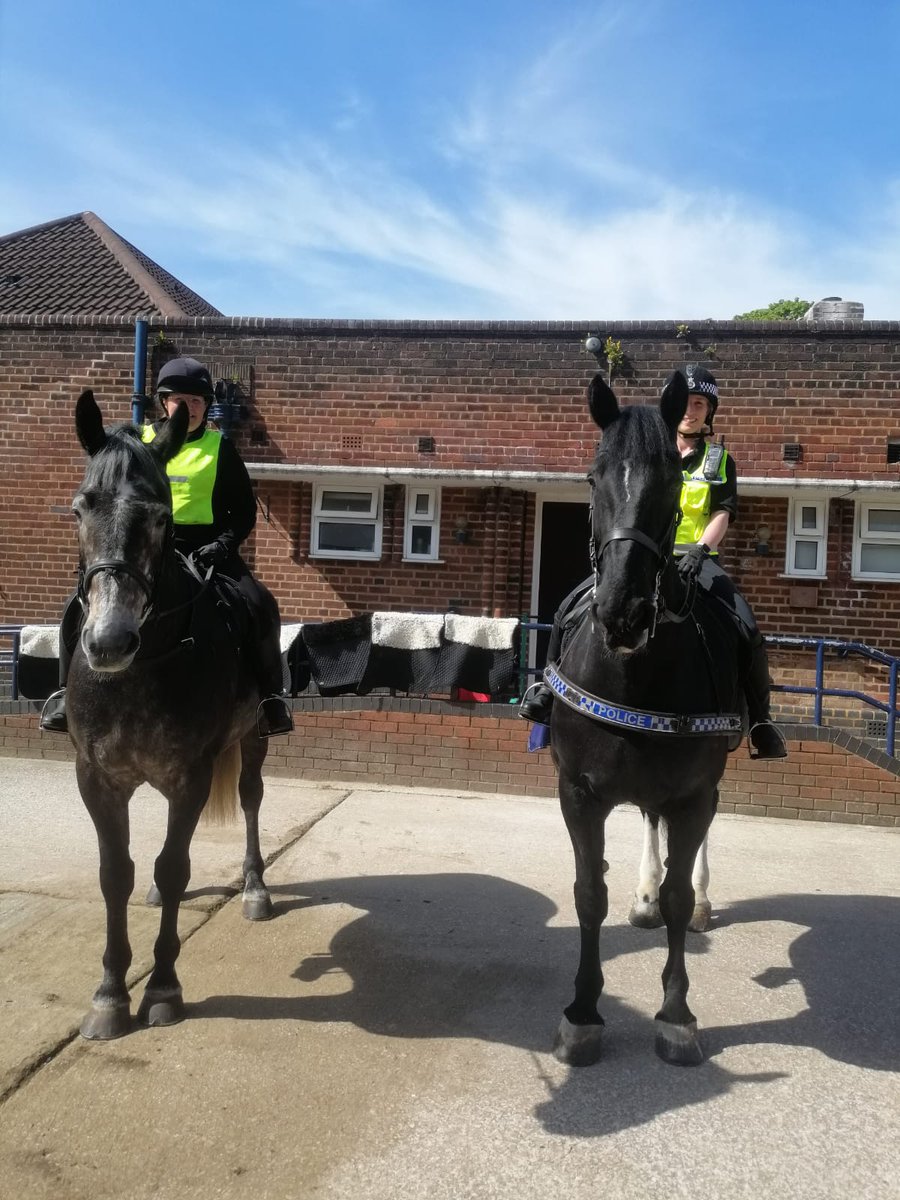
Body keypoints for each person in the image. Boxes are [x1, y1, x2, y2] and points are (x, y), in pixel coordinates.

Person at [519, 365, 787, 760]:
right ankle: (546, 690)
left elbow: (721, 513)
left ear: (708, 412)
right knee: (567, 609)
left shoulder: (718, 460)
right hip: (642, 553)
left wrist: (699, 551)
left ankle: (762, 721)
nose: (691, 411)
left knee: (745, 624)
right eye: (688, 403)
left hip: (694, 558)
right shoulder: (649, 448)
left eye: (700, 404)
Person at [41, 356, 293, 737]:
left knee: (257, 602)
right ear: (164, 402)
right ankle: (63, 694)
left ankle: (271, 699)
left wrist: (221, 547)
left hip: (206, 549)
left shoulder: (219, 449)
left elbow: (242, 513)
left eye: (197, 401)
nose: (188, 408)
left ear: (207, 406)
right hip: (141, 548)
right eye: (179, 400)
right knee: (73, 609)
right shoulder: (133, 443)